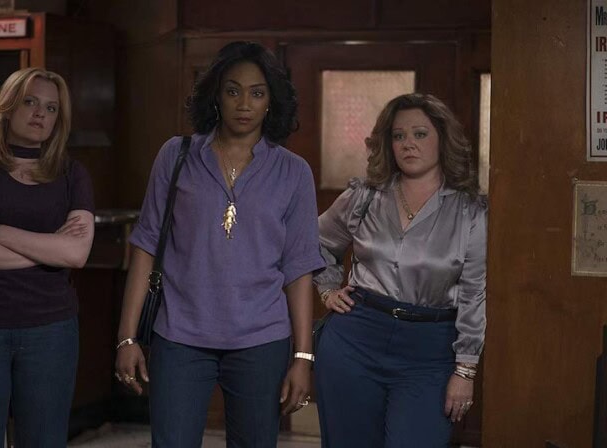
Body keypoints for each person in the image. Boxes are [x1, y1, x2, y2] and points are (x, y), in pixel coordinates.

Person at [115, 41, 325, 448]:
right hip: (179, 335)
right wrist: (127, 338)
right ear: (216, 95)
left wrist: (302, 357)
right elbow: (145, 246)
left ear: (271, 101)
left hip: (261, 340)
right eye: (233, 91)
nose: (244, 104)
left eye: (257, 93)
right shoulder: (176, 156)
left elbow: (299, 267)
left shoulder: (293, 172)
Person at [313, 93, 487, 447]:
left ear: (442, 139)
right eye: (398, 136)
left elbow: (474, 292)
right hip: (356, 340)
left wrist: (465, 370)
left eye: (420, 134)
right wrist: (328, 289)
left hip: (429, 351)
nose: (408, 144)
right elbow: (314, 243)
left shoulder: (469, 211)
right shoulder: (364, 197)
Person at [0, 67, 95, 447]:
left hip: (51, 331)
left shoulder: (72, 174)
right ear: (8, 107)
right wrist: (49, 249)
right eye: (30, 101)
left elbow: (76, 253)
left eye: (51, 107)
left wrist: (0, 233)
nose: (41, 113)